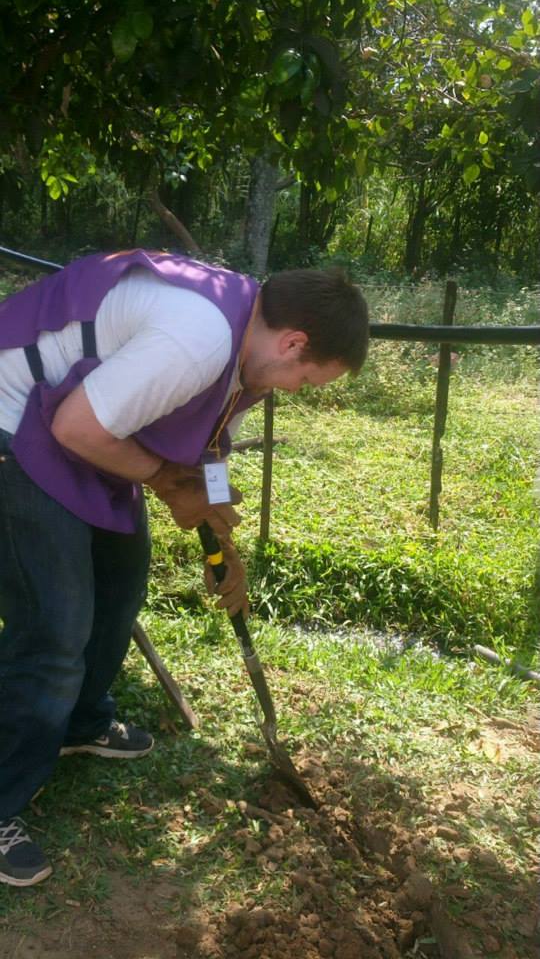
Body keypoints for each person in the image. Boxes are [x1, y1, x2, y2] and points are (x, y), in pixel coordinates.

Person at [0, 248, 369, 886]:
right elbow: (77, 430)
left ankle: (79, 721)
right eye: (307, 381)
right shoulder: (197, 339)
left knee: (121, 582)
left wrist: (224, 537)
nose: (296, 393)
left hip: (79, 420)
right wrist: (172, 487)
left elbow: (209, 444)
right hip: (17, 417)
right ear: (294, 342)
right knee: (56, 627)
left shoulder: (248, 350)